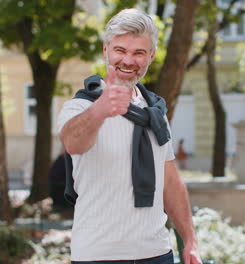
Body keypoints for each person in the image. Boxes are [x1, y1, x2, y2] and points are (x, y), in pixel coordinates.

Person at [58, 8, 201, 264]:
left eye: (138, 53)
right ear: (106, 51)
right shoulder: (81, 107)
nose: (128, 60)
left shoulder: (156, 113)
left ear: (151, 56)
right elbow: (73, 142)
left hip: (157, 253)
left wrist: (190, 239)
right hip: (98, 255)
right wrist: (100, 111)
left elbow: (170, 182)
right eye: (120, 51)